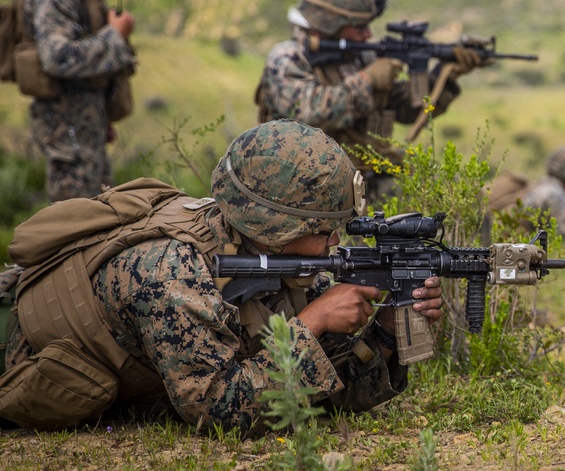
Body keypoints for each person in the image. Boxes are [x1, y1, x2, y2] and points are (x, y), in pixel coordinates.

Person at [0, 119, 444, 433]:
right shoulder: (170, 274)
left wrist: (386, 328)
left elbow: (331, 393)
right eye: (322, 229)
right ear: (276, 228)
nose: (334, 242)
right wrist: (314, 323)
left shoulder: (279, 258)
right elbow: (219, 413)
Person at [254, 0, 487, 198]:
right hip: (302, 184)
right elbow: (307, 114)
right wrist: (367, 80)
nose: (367, 34)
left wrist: (444, 76)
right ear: (329, 24)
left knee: (458, 194)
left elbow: (407, 110)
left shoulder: (359, 57)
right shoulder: (287, 59)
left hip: (361, 176)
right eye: (359, 26)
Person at [20, 0, 137, 201]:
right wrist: (116, 35)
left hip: (82, 129)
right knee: (74, 231)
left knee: (98, 223)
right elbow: (57, 57)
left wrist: (99, 117)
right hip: (69, 135)